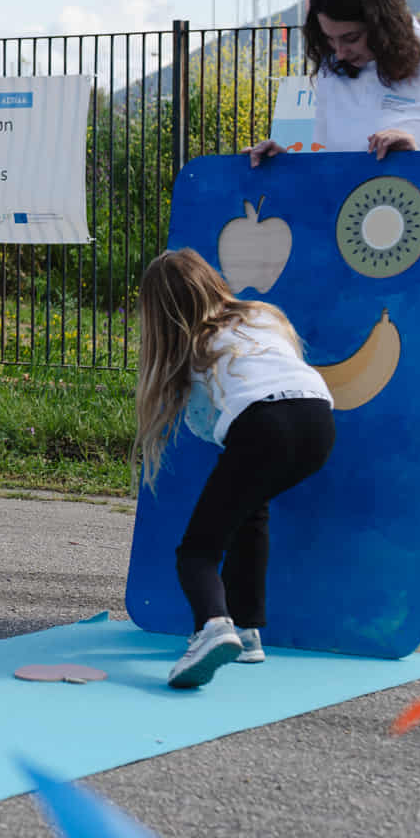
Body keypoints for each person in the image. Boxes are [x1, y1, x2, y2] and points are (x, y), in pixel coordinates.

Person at [246, 0, 420, 635]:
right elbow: (342, 166)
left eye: (352, 38)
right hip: (351, 273)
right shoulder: (332, 76)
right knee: (342, 423)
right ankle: (350, 577)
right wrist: (288, 160)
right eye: (330, 39)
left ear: (384, 23)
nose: (341, 51)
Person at [135, 248, 336, 689]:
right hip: (320, 424)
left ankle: (212, 627)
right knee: (251, 511)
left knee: (197, 551)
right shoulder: (262, 315)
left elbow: (202, 422)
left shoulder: (190, 345)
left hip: (264, 427)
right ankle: (246, 630)